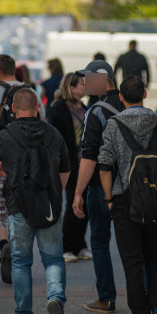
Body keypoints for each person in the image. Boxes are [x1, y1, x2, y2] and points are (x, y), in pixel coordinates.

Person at [0, 88, 70, 314]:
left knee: (21, 262)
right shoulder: (53, 133)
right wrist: (54, 193)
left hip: (18, 207)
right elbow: (66, 169)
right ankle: (55, 299)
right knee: (53, 259)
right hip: (49, 205)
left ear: (14, 110)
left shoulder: (6, 135)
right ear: (37, 108)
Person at [98, 76, 157, 314]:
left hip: (124, 202)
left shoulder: (114, 124)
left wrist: (110, 198)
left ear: (121, 97)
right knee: (153, 256)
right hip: (155, 202)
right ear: (145, 93)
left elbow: (105, 165)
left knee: (133, 262)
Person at [0, 54, 45, 284]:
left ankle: (4, 246)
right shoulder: (30, 93)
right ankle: (18, 252)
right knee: (20, 208)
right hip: (25, 162)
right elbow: (42, 126)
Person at [72, 59, 123, 313]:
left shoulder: (96, 111)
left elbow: (89, 157)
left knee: (100, 243)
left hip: (100, 189)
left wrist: (78, 192)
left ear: (103, 78)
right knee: (133, 246)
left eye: (87, 77)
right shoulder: (128, 103)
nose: (84, 82)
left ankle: (106, 298)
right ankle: (147, 301)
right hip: (127, 187)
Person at [48, 73, 92, 263]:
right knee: (74, 200)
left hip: (86, 163)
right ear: (72, 88)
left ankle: (80, 244)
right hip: (70, 164)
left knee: (86, 204)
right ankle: (67, 246)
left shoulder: (83, 106)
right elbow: (54, 138)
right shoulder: (59, 108)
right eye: (82, 84)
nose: (86, 86)